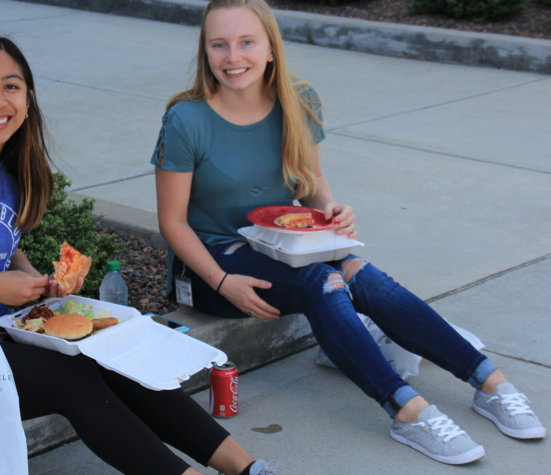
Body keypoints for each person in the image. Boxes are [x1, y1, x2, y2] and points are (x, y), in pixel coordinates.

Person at [152, 0, 546, 466]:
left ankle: (490, 381)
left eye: (246, 42)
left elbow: (311, 185)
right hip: (215, 264)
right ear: (206, 50)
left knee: (361, 271)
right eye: (219, 44)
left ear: (271, 49)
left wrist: (332, 213)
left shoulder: (299, 102)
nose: (232, 56)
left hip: (283, 246)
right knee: (326, 281)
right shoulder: (187, 119)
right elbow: (172, 222)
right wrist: (221, 281)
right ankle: (407, 411)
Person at [0, 34, 279, 475]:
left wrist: (39, 282)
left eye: (11, 86)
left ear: (28, 99)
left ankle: (248, 468)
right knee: (71, 375)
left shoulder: (9, 165)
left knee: (111, 352)